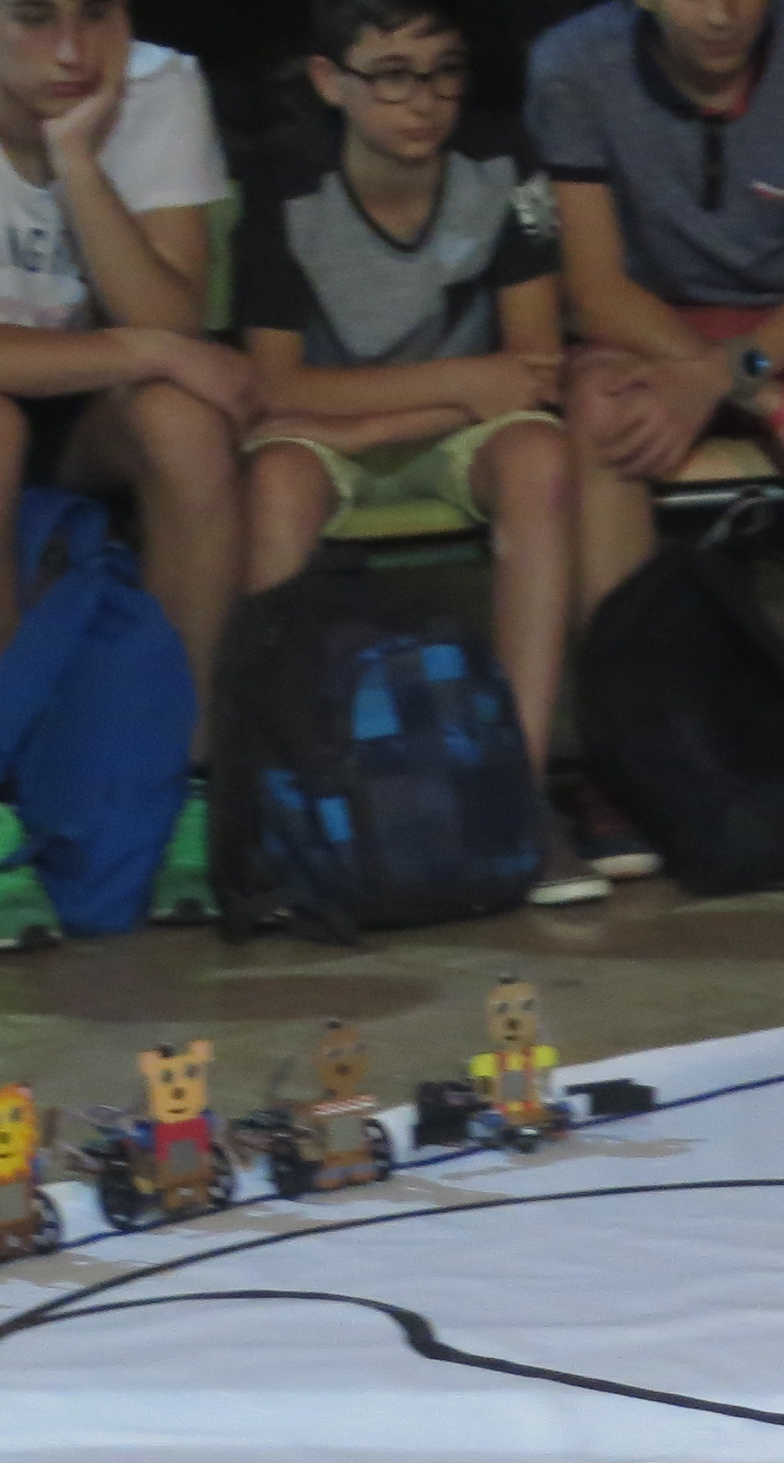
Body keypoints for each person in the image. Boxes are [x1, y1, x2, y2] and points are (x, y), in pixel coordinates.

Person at [0, 0, 252, 952]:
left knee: (187, 427)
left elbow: (177, 321)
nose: (72, 51)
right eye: (34, 18)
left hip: (84, 392)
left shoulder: (160, 85)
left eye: (95, 14)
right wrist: (152, 347)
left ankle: (183, 789)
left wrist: (77, 160)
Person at [234, 0, 617, 904]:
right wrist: (454, 387)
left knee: (538, 458)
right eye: (394, 75)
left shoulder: (502, 161)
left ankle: (514, 795)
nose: (424, 100)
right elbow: (277, 387)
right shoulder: (286, 179)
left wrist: (434, 405)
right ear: (331, 82)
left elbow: (529, 370)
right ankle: (283, 805)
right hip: (330, 434)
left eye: (444, 72)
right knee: (277, 479)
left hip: (445, 429)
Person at [532, 0, 784, 716]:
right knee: (605, 413)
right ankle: (630, 743)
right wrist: (765, 398)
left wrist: (728, 375)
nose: (724, 15)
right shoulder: (574, 64)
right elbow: (596, 291)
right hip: (649, 324)